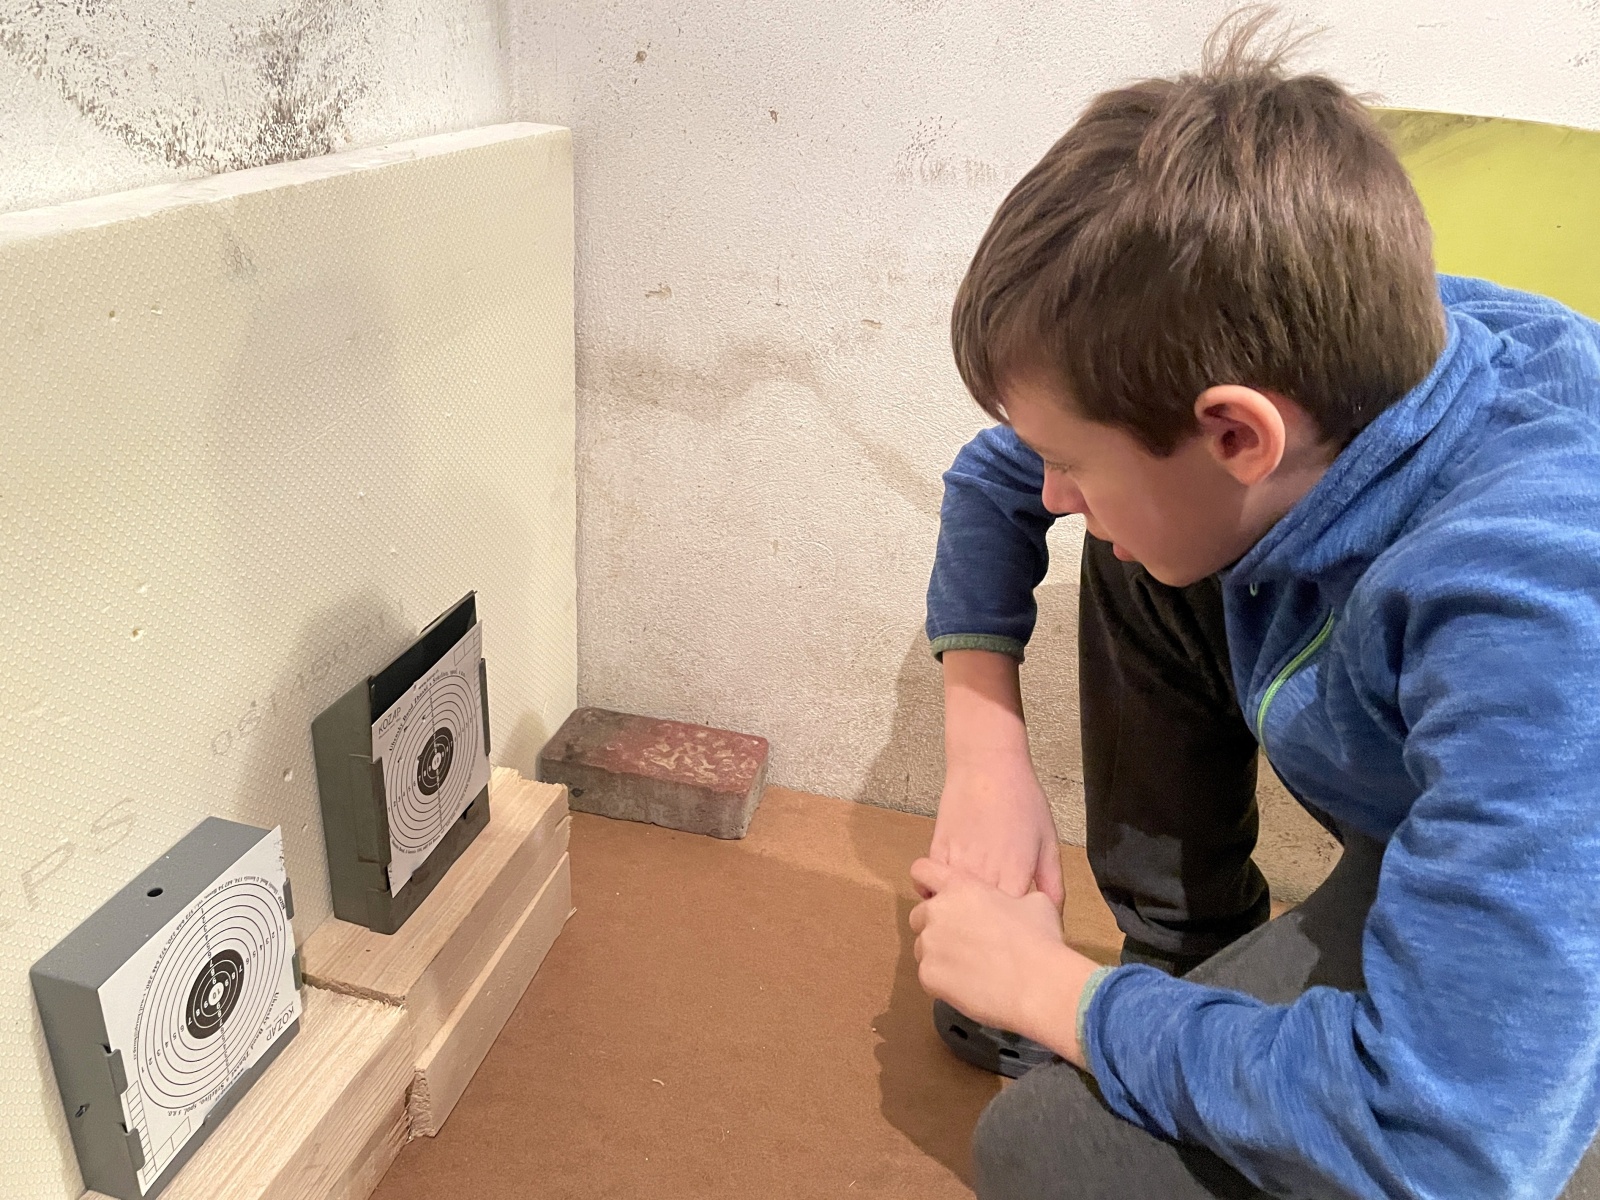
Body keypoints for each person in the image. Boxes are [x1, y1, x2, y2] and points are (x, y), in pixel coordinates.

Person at [907, 11, 1600, 1199]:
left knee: (1048, 1160)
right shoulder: (1353, 335)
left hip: (1548, 891)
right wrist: (983, 752)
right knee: (1140, 541)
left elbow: (1446, 1142)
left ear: (1237, 432)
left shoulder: (1535, 616)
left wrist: (1059, 996)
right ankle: (1187, 959)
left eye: (1069, 458)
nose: (1049, 488)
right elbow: (998, 474)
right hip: (1466, 798)